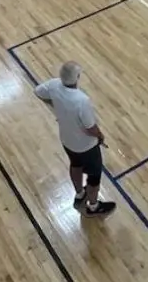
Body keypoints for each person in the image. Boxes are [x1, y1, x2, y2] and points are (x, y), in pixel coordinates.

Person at [34, 62, 116, 218]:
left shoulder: (53, 85)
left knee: (75, 165)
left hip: (67, 141)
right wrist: (100, 136)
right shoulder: (81, 100)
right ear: (77, 78)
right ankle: (93, 206)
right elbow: (90, 127)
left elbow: (38, 91)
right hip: (86, 146)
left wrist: (56, 108)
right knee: (94, 177)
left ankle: (79, 194)